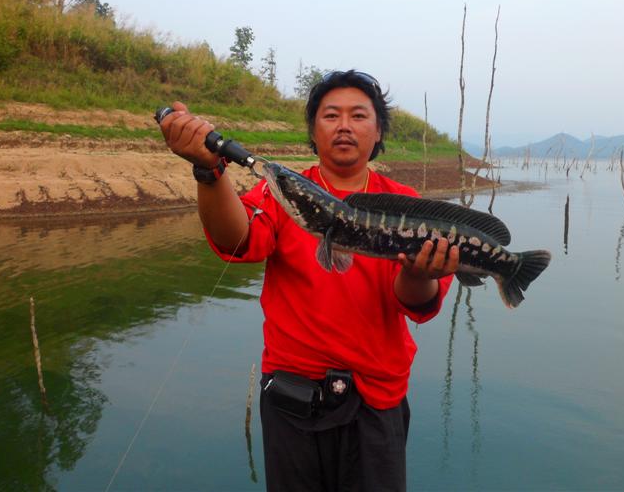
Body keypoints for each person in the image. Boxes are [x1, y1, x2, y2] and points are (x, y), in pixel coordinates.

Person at [159, 70, 457, 491]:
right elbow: (236, 239)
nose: (344, 126)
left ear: (378, 133)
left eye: (359, 116)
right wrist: (209, 172)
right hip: (292, 399)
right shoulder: (283, 192)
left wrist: (418, 271)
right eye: (330, 115)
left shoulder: (406, 205)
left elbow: (416, 303)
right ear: (313, 132)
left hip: (378, 400)